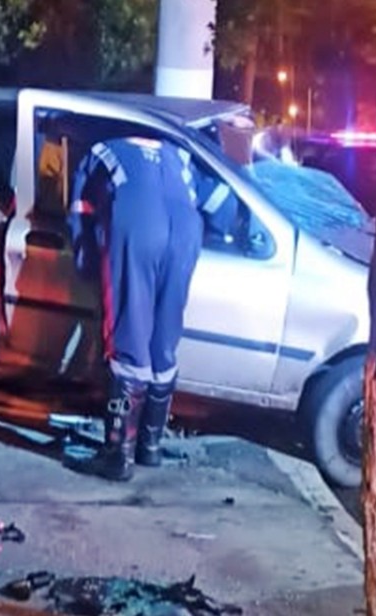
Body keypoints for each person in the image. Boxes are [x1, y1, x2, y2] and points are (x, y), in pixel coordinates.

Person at [66, 135, 237, 481]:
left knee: (129, 337)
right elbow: (223, 203)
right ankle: (150, 446)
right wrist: (216, 235)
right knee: (163, 341)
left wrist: (87, 262)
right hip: (185, 233)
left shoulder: (102, 150)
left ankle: (117, 454)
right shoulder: (181, 156)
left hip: (137, 228)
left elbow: (79, 212)